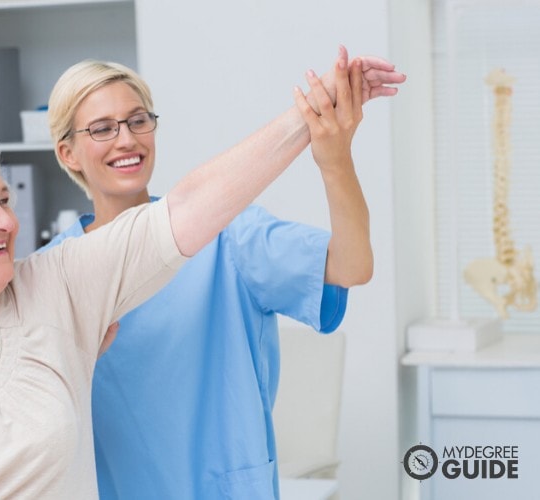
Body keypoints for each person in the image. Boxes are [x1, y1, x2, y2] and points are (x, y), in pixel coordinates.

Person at [0, 47, 400, 499]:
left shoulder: (66, 283)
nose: (5, 220)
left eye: (137, 120)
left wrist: (319, 132)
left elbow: (194, 208)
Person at [40, 48, 405, 499]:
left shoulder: (227, 235)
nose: (126, 139)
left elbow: (352, 266)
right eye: (101, 128)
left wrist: (334, 160)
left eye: (138, 120)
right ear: (68, 153)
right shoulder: (53, 276)